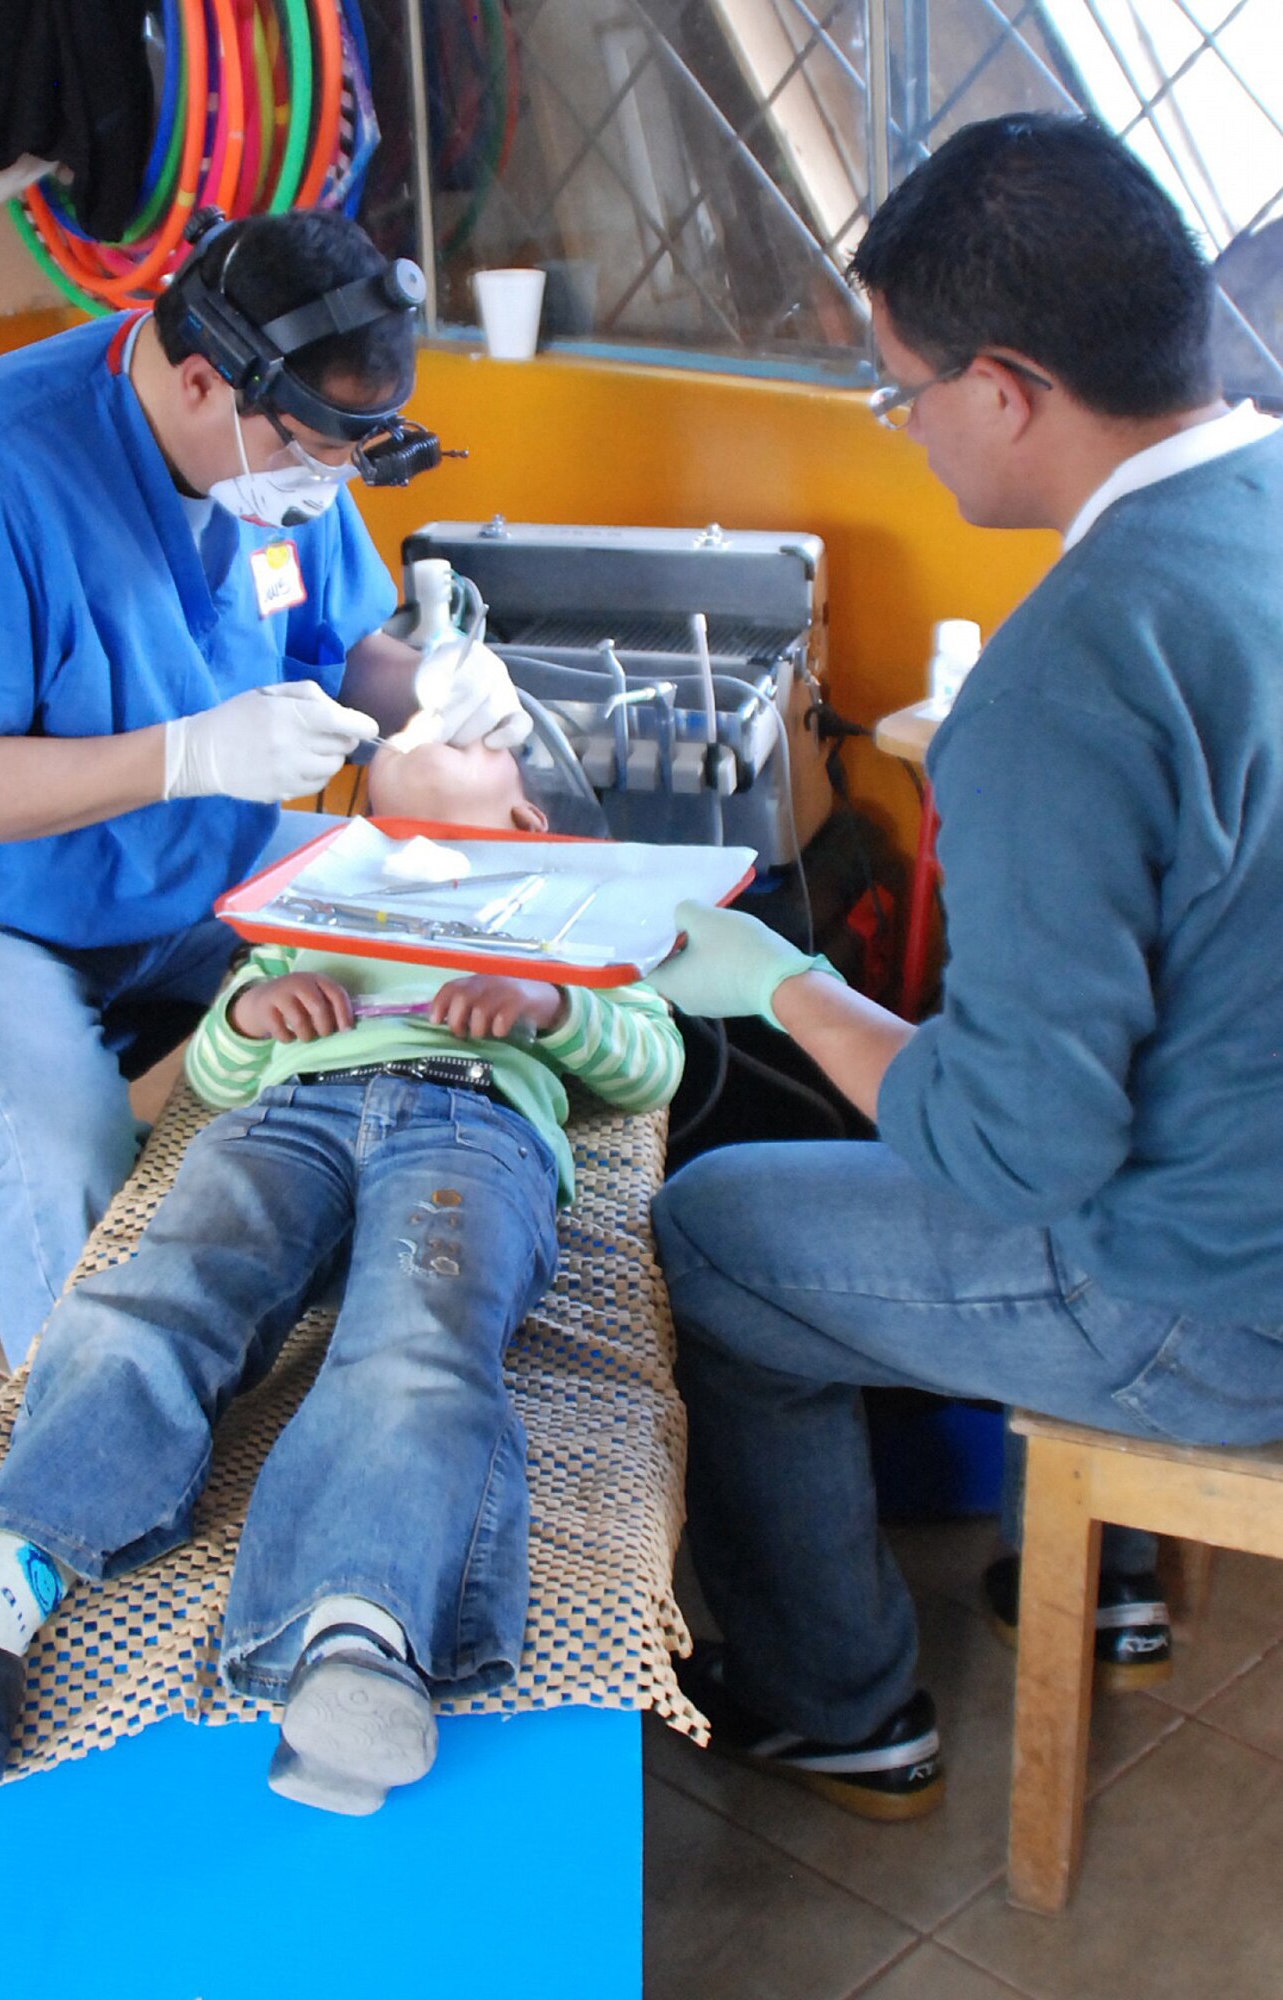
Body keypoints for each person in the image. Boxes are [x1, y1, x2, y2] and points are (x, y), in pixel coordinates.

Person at [645, 113, 1283, 1820]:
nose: (904, 431)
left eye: (895, 392)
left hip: (1210, 1309)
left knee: (700, 1230)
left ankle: (831, 1701)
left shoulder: (1068, 674)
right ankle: (1112, 1573)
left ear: (1003, 387)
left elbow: (1021, 1153)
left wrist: (777, 985)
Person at [0, 737, 683, 1813]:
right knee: (151, 1301)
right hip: (290, 1123)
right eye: (382, 829)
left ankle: (359, 1635)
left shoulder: (566, 910)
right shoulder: (328, 902)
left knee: (413, 1340)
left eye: (467, 745)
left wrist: (549, 1006)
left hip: (467, 1123)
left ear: (527, 823)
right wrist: (252, 1017)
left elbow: (650, 1058)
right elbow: (216, 1066)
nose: (428, 747)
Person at [0, 205, 527, 1368]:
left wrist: (434, 688)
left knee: (450, 948)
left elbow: (340, 648)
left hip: (192, 859)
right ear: (205, 382)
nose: (327, 486)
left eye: (352, 455)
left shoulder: (284, 441)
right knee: (64, 1146)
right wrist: (184, 755)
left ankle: (356, 1328)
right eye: (313, 454)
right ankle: (77, 1474)